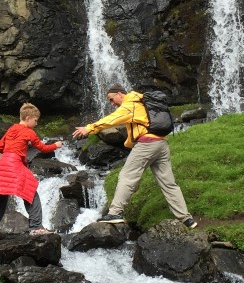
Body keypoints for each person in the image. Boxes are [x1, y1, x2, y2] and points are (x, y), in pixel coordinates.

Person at [72, 84, 197, 228]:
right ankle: (187, 219)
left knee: (127, 176)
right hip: (161, 144)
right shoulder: (142, 101)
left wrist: (88, 128)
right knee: (169, 183)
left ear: (120, 94)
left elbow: (112, 119)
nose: (112, 103)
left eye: (111, 99)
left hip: (147, 144)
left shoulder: (130, 103)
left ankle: (115, 213)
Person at [0, 103, 63, 238]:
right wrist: (56, 145)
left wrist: (12, 149)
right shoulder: (29, 132)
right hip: (14, 164)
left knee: (1, 196)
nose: (36, 124)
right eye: (35, 121)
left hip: (3, 165)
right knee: (30, 192)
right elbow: (43, 148)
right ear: (28, 118)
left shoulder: (11, 129)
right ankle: (36, 227)